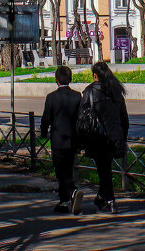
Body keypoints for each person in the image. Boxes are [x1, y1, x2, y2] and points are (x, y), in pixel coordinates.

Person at [80, 60, 129, 214]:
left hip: (97, 137)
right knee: (105, 168)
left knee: (104, 170)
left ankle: (109, 200)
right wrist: (122, 138)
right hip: (114, 137)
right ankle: (103, 198)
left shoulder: (89, 92)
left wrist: (82, 141)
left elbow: (81, 119)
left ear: (95, 76)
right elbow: (124, 119)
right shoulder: (116, 91)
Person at [40, 65, 84, 214]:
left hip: (57, 139)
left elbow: (46, 118)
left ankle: (72, 192)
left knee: (60, 171)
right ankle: (63, 201)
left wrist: (43, 133)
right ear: (70, 79)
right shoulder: (77, 96)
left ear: (56, 80)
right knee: (68, 168)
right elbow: (80, 119)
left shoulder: (51, 97)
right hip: (73, 139)